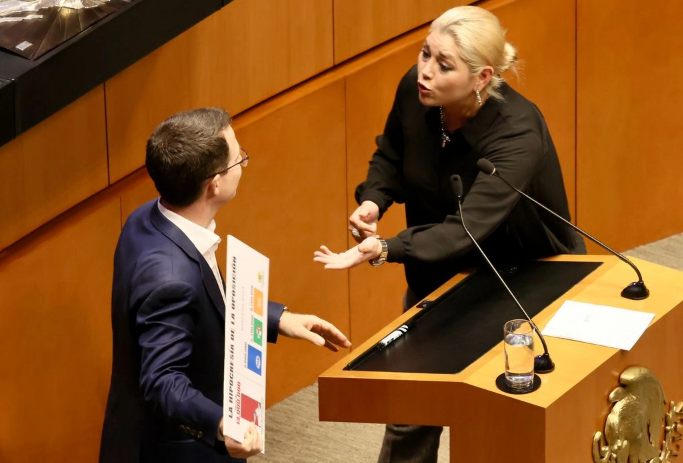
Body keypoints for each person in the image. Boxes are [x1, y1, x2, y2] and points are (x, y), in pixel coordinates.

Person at [313, 5, 584, 463]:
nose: (425, 71)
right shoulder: (416, 90)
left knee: (498, 421)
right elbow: (391, 154)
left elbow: (467, 230)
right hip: (437, 276)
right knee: (411, 411)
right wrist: (374, 199)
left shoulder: (517, 132)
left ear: (482, 77)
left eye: (444, 65)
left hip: (520, 284)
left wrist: (384, 247)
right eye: (425, 54)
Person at [99, 107, 351, 463]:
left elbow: (206, 296)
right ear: (214, 183)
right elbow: (162, 380)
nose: (244, 164)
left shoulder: (148, 218)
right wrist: (222, 424)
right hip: (178, 451)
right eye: (238, 159)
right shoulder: (171, 280)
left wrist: (278, 319)